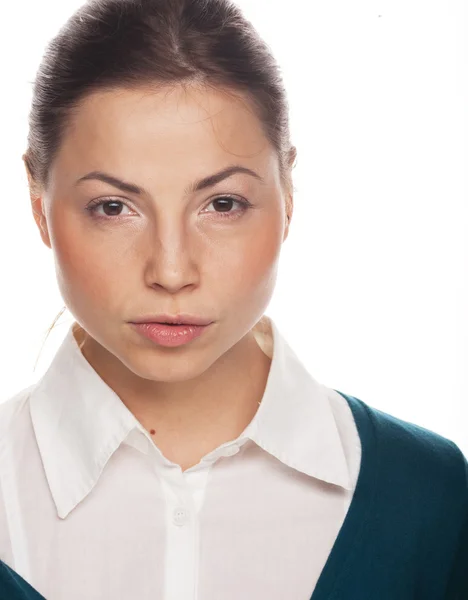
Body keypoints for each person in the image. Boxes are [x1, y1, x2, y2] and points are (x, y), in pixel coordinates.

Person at [0, 0, 466, 598]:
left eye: (222, 204)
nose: (172, 270)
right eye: (113, 207)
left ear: (288, 194)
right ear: (39, 206)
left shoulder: (428, 497)